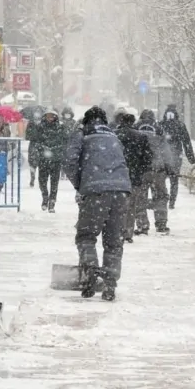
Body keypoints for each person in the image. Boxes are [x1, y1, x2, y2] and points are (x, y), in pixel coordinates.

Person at [63, 106, 132, 301]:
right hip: (122, 191)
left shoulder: (82, 135)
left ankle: (91, 270)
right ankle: (110, 283)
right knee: (114, 240)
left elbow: (69, 162)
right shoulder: (114, 136)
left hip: (95, 191)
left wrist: (81, 184)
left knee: (86, 236)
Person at [135, 110, 176, 235]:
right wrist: (170, 167)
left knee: (139, 197)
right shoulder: (158, 128)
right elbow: (166, 151)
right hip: (158, 170)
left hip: (140, 170)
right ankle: (161, 224)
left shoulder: (135, 127)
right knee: (160, 197)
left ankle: (142, 226)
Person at [114, 113, 153, 243]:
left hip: (116, 175)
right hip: (134, 176)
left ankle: (116, 231)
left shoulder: (113, 135)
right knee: (131, 205)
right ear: (133, 122)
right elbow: (148, 158)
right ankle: (128, 232)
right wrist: (140, 170)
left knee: (116, 205)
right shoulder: (141, 136)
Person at [30, 108, 68, 212]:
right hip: (43, 159)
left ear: (55, 117)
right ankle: (45, 197)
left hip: (56, 160)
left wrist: (57, 150)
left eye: (52, 116)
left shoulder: (61, 127)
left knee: (54, 182)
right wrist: (43, 149)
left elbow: (65, 141)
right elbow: (35, 141)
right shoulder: (40, 127)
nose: (50, 118)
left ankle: (52, 202)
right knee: (42, 181)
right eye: (48, 116)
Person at [160, 104, 195, 209]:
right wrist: (191, 159)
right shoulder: (180, 125)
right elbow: (186, 142)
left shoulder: (160, 125)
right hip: (176, 155)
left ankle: (163, 199)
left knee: (160, 178)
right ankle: (172, 202)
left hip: (162, 156)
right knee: (174, 179)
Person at [25, 110, 43, 187]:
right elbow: (27, 136)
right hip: (32, 144)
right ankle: (32, 178)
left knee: (42, 164)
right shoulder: (30, 124)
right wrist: (33, 135)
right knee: (32, 163)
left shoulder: (43, 123)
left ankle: (41, 180)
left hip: (41, 145)